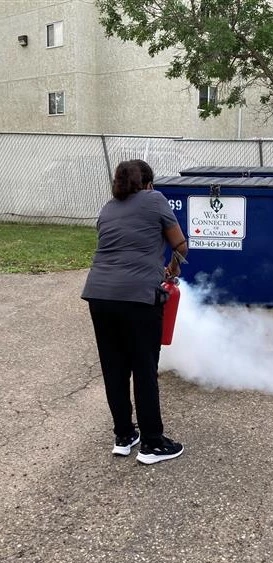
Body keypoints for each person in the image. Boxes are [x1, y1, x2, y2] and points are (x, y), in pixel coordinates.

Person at [82, 159, 188, 464]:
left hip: (99, 296)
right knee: (143, 369)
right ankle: (153, 443)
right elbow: (180, 244)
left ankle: (124, 435)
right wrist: (170, 269)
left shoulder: (107, 208)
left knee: (114, 368)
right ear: (149, 184)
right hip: (139, 297)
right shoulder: (155, 199)